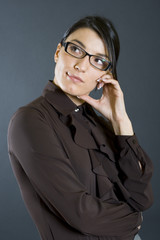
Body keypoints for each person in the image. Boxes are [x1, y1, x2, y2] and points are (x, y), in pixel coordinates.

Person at [8, 16, 153, 240]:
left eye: (98, 61)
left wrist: (121, 120)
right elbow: (81, 214)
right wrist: (136, 220)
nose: (81, 65)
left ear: (104, 76)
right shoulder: (30, 121)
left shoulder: (98, 122)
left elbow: (141, 197)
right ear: (58, 52)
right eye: (76, 49)